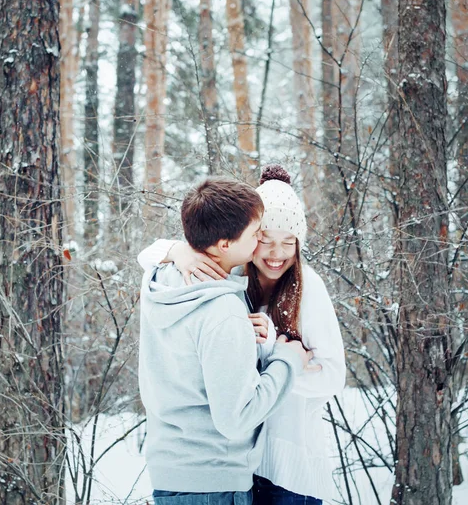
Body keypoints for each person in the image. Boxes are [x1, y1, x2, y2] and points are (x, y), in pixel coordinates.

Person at [139, 165, 346, 505]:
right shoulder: (226, 280)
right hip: (235, 464)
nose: (275, 253)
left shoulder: (309, 289)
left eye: (289, 242)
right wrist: (179, 250)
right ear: (243, 240)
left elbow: (332, 377)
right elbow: (151, 255)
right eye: (263, 240)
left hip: (288, 460)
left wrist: (277, 356)